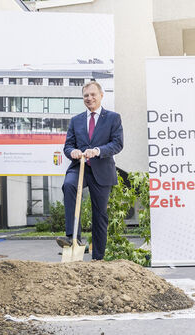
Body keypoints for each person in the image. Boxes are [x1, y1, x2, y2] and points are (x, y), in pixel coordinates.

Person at [57, 81, 123, 260]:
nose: (89, 98)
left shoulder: (113, 118)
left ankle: (98, 257)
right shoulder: (76, 120)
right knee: (69, 186)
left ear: (101, 95)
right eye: (86, 95)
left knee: (99, 213)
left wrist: (98, 151)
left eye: (93, 94)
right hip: (80, 168)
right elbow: (68, 146)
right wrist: (73, 152)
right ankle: (73, 237)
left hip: (102, 169)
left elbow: (117, 144)